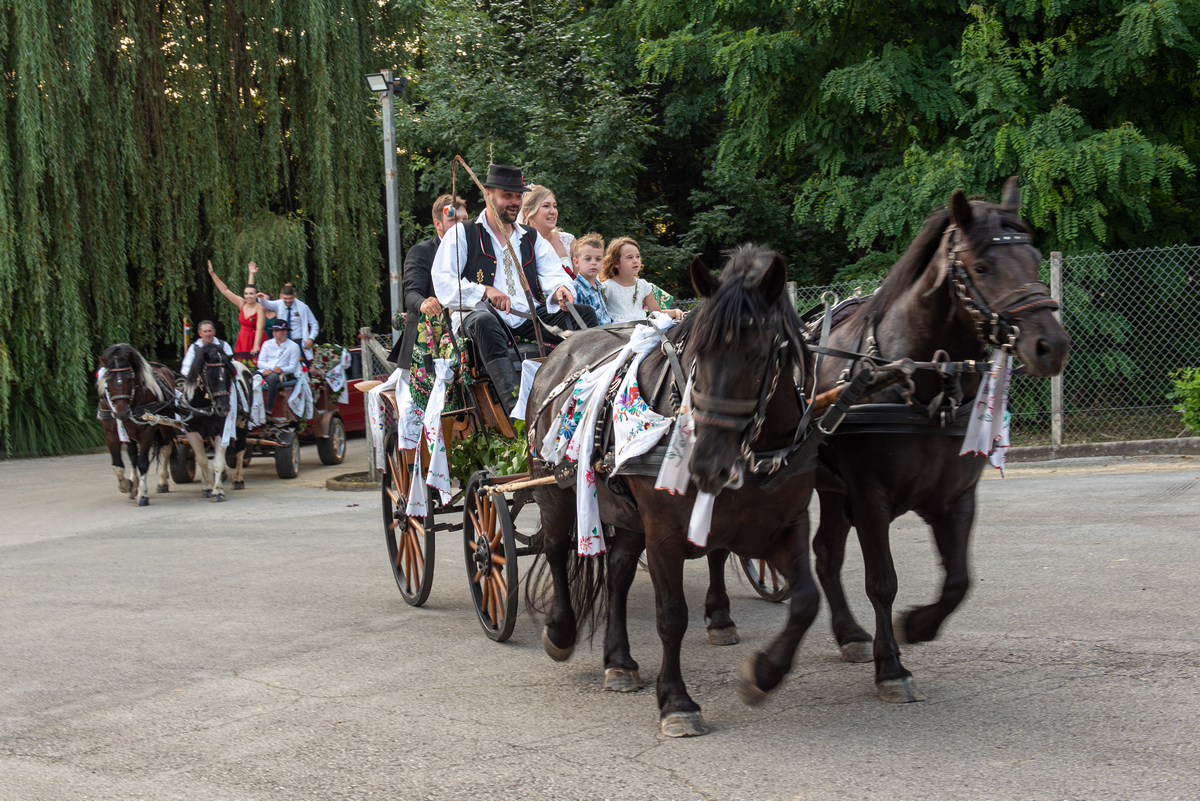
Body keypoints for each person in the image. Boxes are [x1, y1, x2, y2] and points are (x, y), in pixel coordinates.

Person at [430, 163, 598, 412]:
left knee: (584, 314)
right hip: (481, 320)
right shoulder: (462, 235)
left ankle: (594, 393)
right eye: (507, 195)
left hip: (526, 317)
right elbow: (443, 281)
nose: (514, 202)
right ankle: (514, 411)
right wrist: (484, 291)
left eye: (518, 196)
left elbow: (552, 273)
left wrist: (560, 289)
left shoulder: (530, 237)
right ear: (488, 194)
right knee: (484, 321)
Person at [600, 237, 683, 324]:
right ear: (616, 263)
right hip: (618, 330)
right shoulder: (607, 286)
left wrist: (675, 312)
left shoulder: (643, 285)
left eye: (637, 256)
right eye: (629, 257)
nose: (635, 261)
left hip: (642, 328)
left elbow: (657, 313)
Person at [206, 259, 266, 355]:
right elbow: (225, 291)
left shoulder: (260, 308)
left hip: (256, 338)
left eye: (251, 294)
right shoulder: (242, 303)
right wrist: (213, 274)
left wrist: (256, 344)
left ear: (256, 295)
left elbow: (260, 328)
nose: (248, 296)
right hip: (243, 339)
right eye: (246, 294)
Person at [257, 283, 319, 365]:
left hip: (299, 341)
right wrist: (261, 299)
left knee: (303, 366)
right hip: (284, 341)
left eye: (290, 298)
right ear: (281, 296)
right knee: (283, 365)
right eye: (285, 298)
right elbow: (267, 304)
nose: (288, 301)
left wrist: (311, 338)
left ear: (295, 296)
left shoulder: (303, 307)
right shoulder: (279, 304)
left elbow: (314, 324)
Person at [520, 185, 574, 277]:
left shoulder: (568, 241)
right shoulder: (519, 244)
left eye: (555, 206)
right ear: (528, 213)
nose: (553, 211)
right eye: (546, 206)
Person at [255, 319, 302, 416]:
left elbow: (292, 367)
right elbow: (260, 362)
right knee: (250, 376)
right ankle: (251, 408)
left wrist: (280, 370)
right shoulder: (267, 344)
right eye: (273, 331)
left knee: (272, 378)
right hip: (266, 371)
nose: (274, 333)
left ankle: (269, 410)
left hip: (281, 374)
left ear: (285, 331)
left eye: (277, 331)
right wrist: (271, 368)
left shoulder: (293, 347)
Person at [570, 233, 612, 324]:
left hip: (608, 329)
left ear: (603, 262)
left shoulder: (598, 286)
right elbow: (577, 322)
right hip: (592, 334)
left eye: (598, 259)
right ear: (576, 262)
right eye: (588, 259)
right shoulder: (576, 288)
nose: (593, 263)